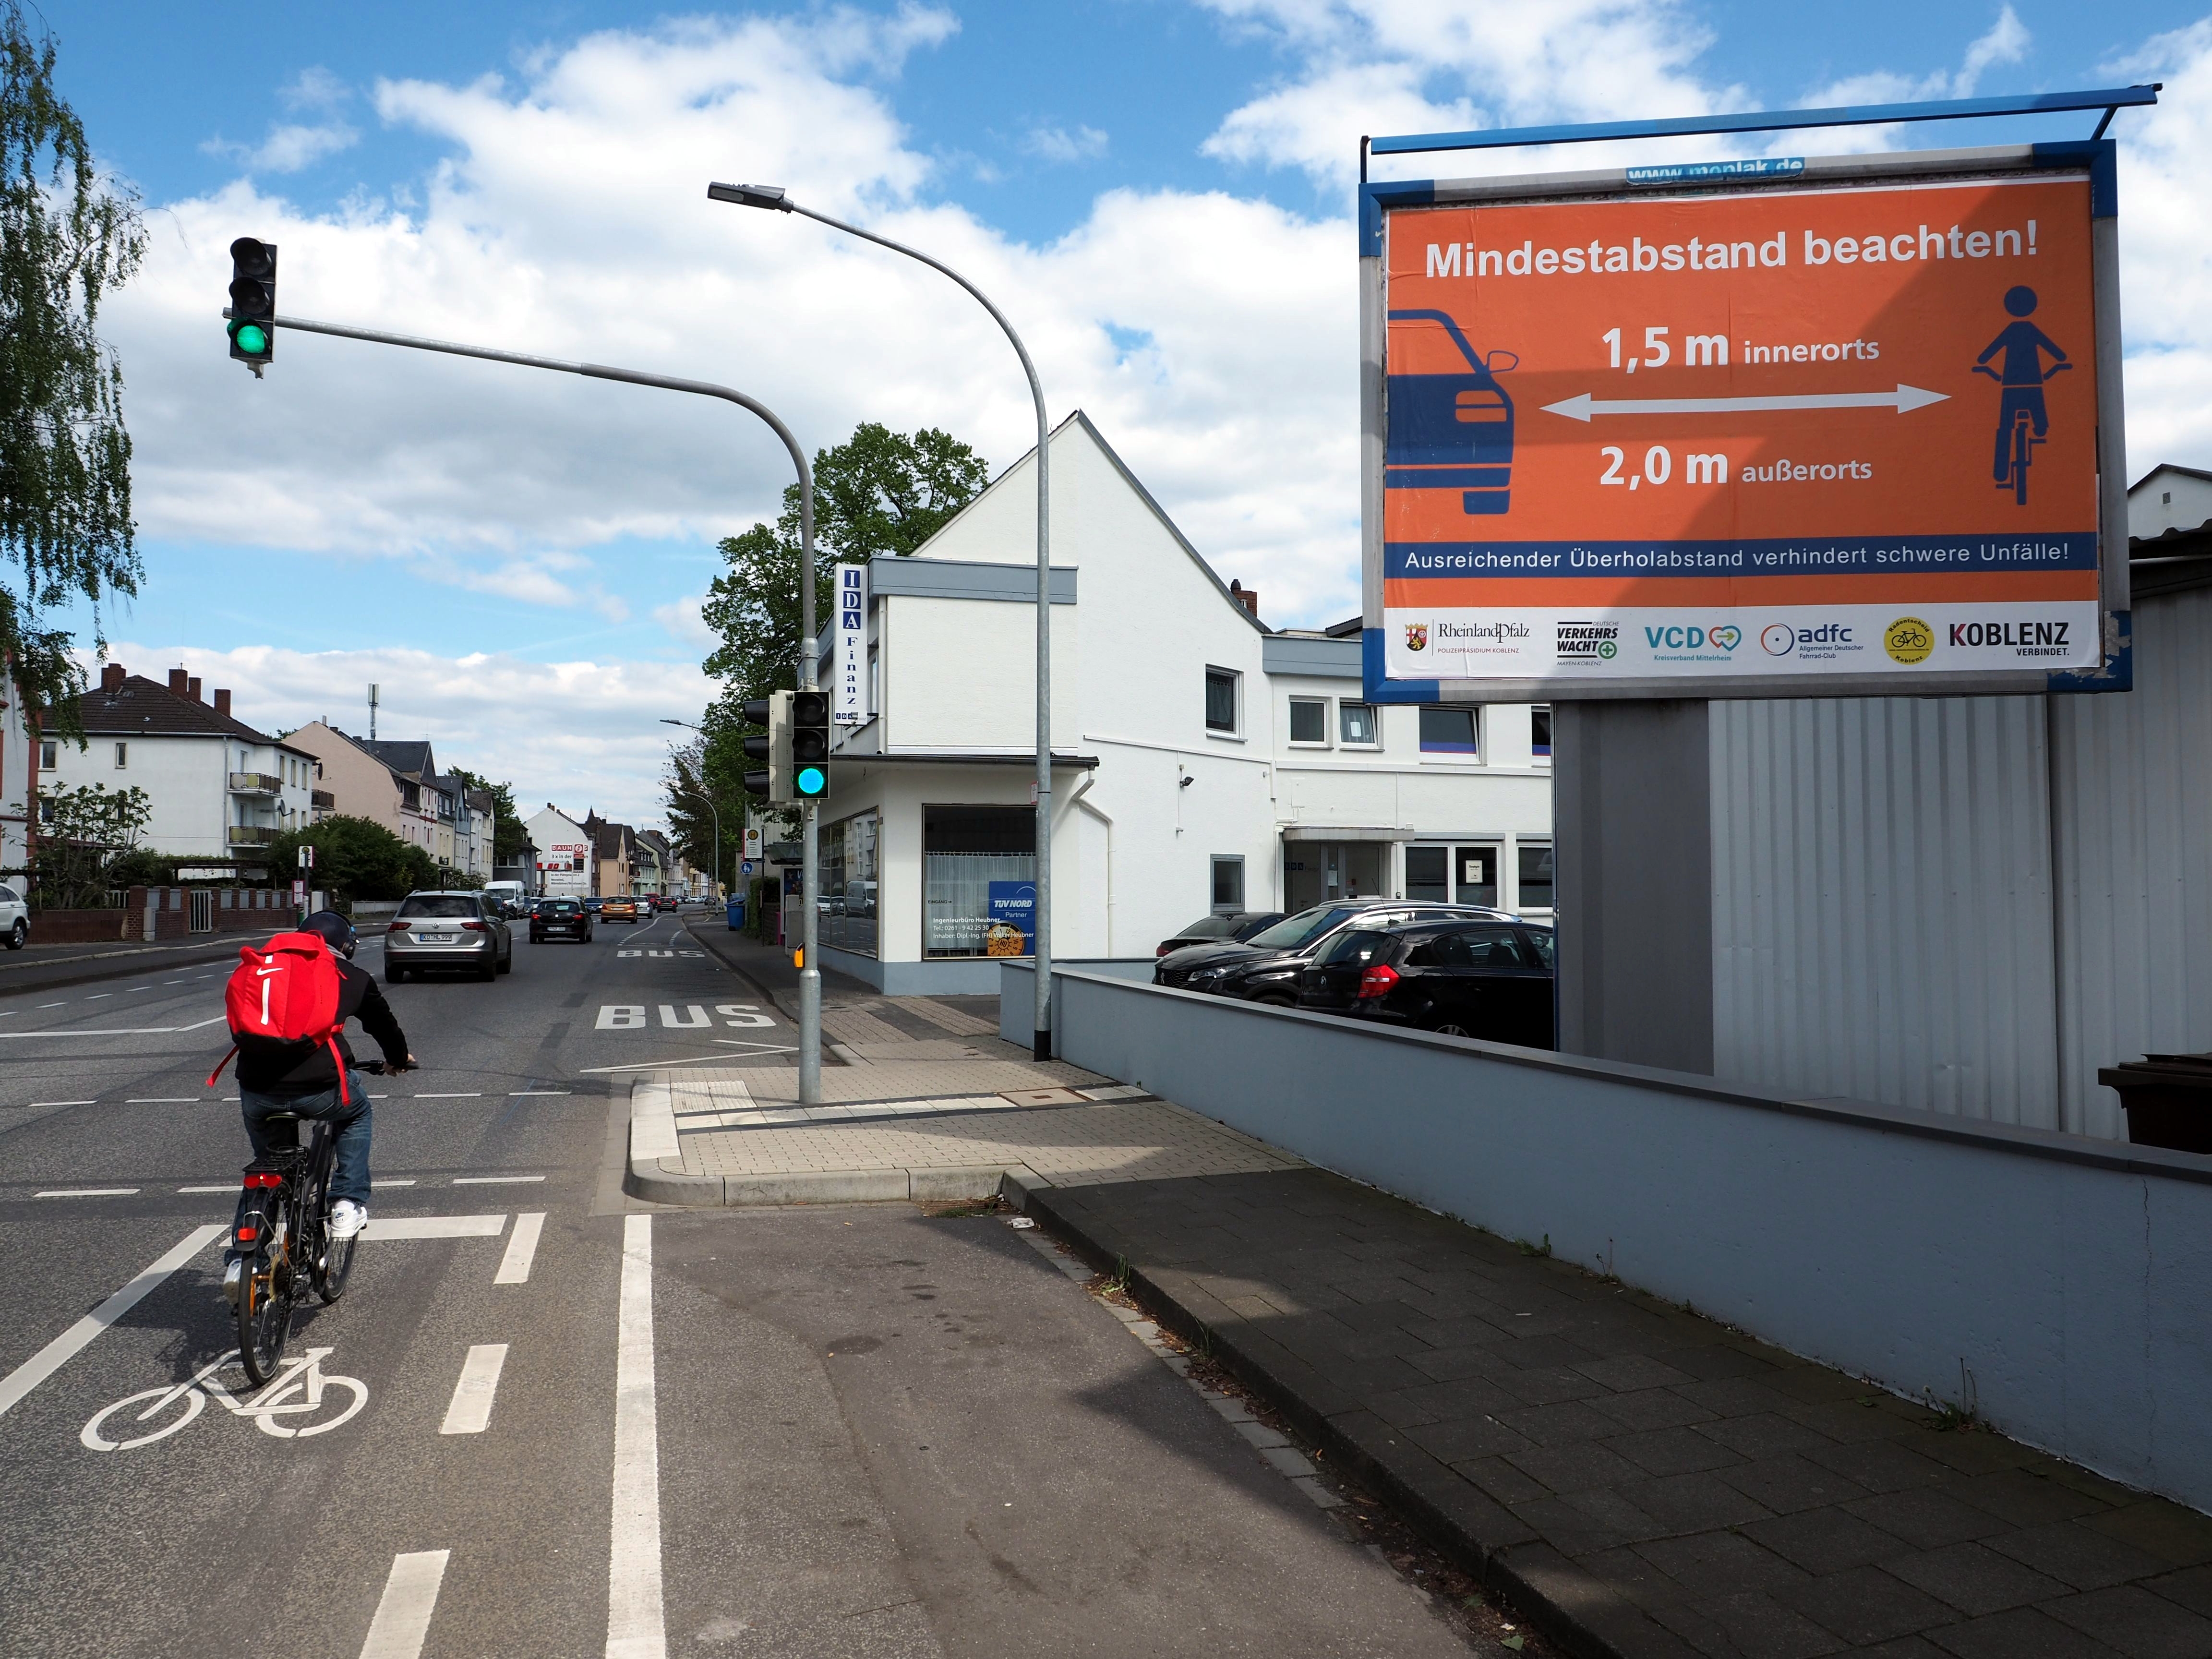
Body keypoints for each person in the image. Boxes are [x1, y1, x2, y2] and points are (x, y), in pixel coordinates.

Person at [222, 910, 415, 1306]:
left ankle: (243, 1263)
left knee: (267, 1169)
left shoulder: (261, 968)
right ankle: (347, 1201)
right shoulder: (348, 975)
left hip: (257, 1091)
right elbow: (383, 1025)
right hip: (320, 1089)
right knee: (356, 1113)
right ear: (345, 946)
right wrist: (397, 1059)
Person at [1976, 286, 2068, 483]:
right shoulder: (2031, 330)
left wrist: (1984, 367)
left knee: (2005, 425)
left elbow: (1985, 357)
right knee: (2040, 419)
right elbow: (2059, 354)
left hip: (2009, 386)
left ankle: (2001, 471)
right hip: (2034, 384)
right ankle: (2040, 428)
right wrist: (2059, 365)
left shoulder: (2010, 331)